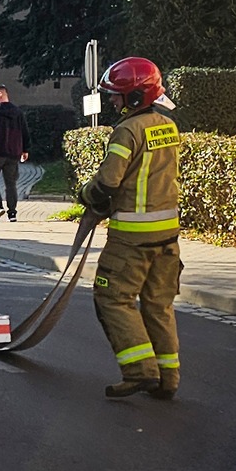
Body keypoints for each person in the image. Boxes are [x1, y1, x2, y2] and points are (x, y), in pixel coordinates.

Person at [80, 57, 183, 400]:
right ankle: (168, 379)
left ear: (136, 96)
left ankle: (140, 371)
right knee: (157, 305)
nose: (112, 101)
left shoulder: (127, 130)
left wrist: (87, 194)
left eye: (117, 95)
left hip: (132, 239)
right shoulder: (167, 125)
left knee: (112, 298)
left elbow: (109, 182)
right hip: (168, 237)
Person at [0, 87, 30, 221]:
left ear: (0, 94)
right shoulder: (18, 112)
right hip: (14, 153)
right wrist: (25, 149)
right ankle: (12, 214)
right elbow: (24, 131)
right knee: (11, 183)